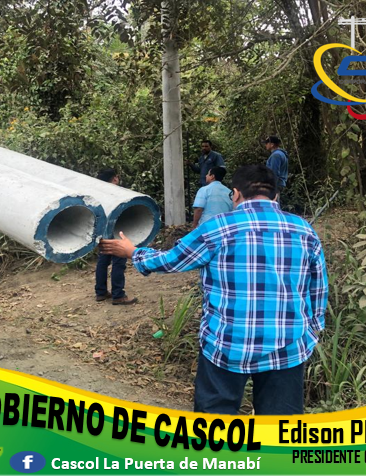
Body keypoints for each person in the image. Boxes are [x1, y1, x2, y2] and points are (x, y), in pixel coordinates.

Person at [100, 165, 328, 415]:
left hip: (226, 345)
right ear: (276, 195)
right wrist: (313, 330)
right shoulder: (304, 230)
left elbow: (171, 260)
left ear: (236, 194)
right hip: (287, 348)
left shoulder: (218, 227)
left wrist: (134, 252)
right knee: (279, 429)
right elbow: (318, 288)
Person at [94, 168, 137, 306]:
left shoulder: (98, 194)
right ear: (115, 178)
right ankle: (118, 295)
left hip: (103, 232)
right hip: (118, 231)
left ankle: (101, 292)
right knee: (119, 262)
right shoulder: (119, 192)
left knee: (103, 262)